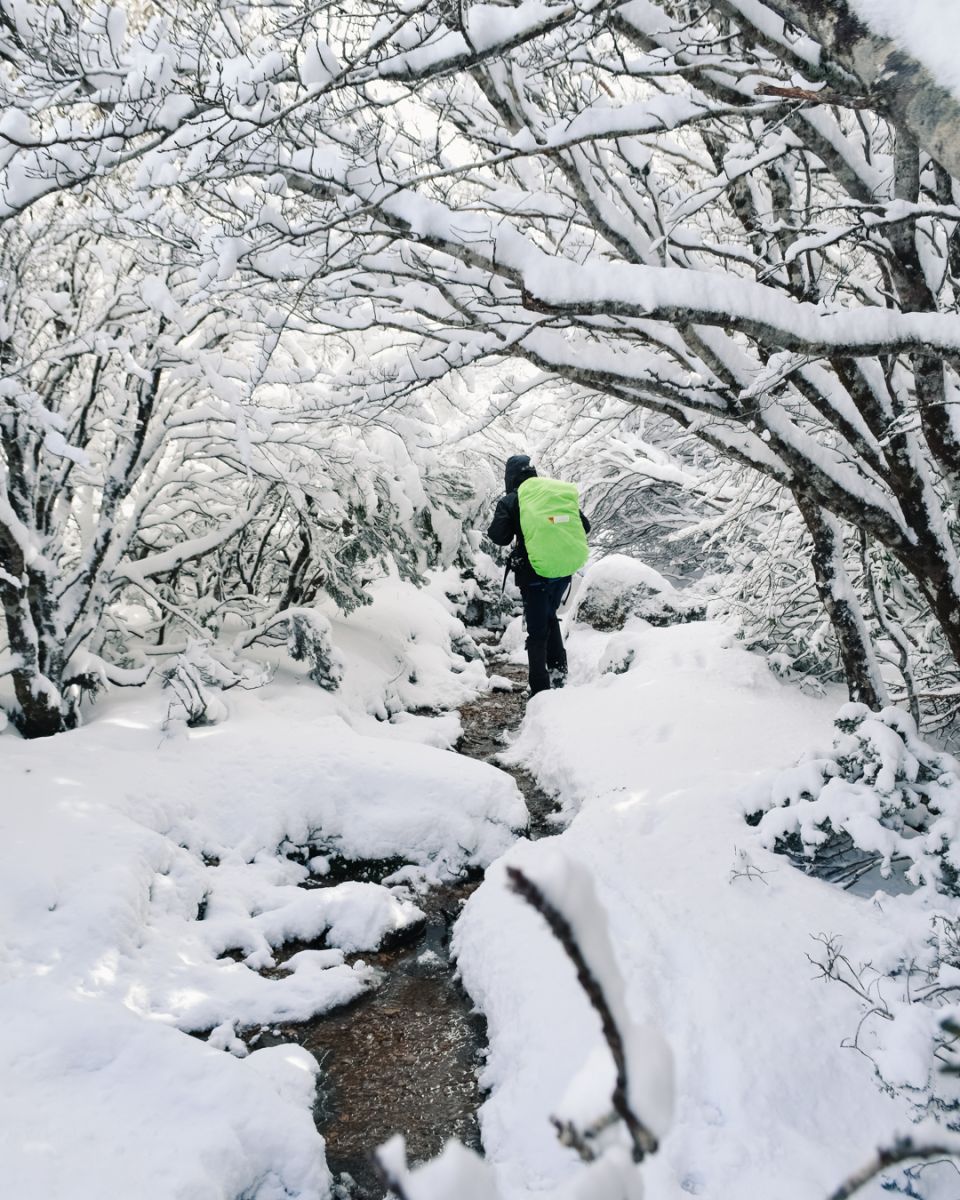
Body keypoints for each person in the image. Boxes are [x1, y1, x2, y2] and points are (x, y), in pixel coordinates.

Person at [488, 454, 590, 697]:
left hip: (534, 573)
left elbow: (498, 536)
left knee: (536, 632)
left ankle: (540, 690)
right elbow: (584, 527)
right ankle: (558, 674)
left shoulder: (513, 500)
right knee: (549, 617)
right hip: (562, 571)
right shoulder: (552, 494)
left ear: (510, 477)